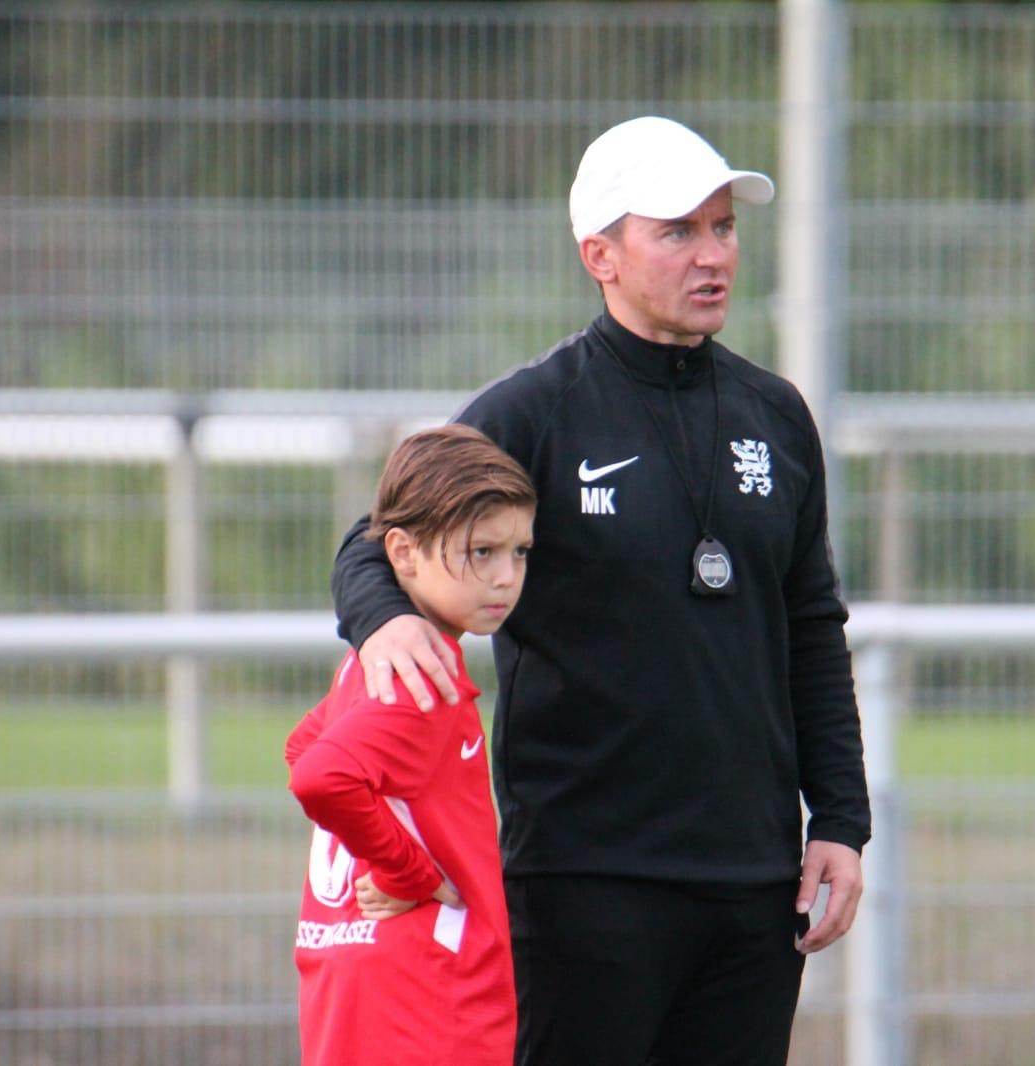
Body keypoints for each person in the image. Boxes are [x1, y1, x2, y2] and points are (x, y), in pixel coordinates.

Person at [331, 115, 870, 1065]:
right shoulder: (535, 412)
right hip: (580, 884)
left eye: (724, 228)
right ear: (600, 255)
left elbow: (812, 627)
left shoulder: (777, 415)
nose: (713, 255)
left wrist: (838, 819)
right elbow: (374, 546)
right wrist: (382, 623)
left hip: (753, 885)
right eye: (678, 232)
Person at [286, 424, 535, 1066]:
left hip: (363, 987)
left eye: (520, 552)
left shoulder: (371, 660)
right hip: (430, 999)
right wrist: (408, 871)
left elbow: (303, 745)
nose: (506, 577)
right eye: (482, 552)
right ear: (401, 553)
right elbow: (318, 775)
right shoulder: (424, 680)